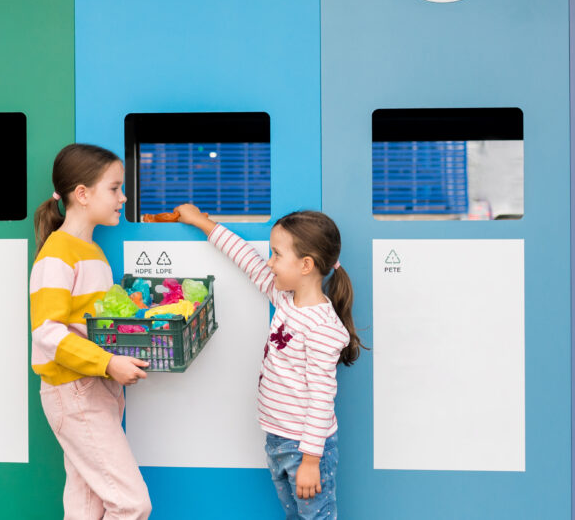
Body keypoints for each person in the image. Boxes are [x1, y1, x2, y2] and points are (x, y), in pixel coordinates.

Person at [175, 204, 365, 520]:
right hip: (277, 439)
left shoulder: (321, 327)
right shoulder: (285, 299)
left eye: (276, 254)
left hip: (304, 448)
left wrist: (310, 461)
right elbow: (247, 259)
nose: (269, 262)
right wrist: (201, 223)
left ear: (306, 265)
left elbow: (321, 399)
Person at [31, 143, 152, 519]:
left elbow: (91, 320)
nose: (123, 197)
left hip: (96, 388)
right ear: (82, 194)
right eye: (114, 188)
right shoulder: (57, 254)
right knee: (132, 505)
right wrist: (107, 363)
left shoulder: (91, 251)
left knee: (86, 506)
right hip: (75, 391)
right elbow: (46, 332)